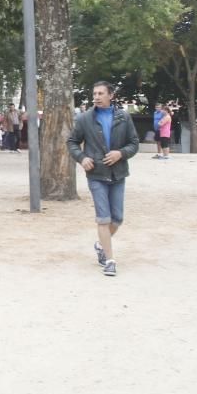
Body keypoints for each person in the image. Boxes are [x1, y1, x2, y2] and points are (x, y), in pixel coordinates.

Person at [66, 81, 140, 277]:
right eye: (94, 93)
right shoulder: (84, 119)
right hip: (96, 175)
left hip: (118, 173)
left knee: (117, 219)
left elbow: (134, 143)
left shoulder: (123, 117)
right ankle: (109, 260)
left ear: (111, 96)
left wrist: (120, 153)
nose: (96, 97)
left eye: (100, 93)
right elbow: (72, 142)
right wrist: (82, 158)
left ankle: (100, 245)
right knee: (103, 218)